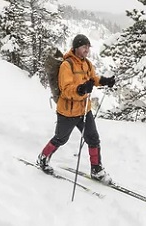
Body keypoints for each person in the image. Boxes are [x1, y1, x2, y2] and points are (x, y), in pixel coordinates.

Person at [36, 34, 116, 183]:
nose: (87, 49)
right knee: (61, 138)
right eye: (84, 46)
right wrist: (80, 89)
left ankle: (96, 170)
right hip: (67, 111)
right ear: (76, 47)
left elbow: (93, 79)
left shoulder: (87, 64)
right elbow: (66, 89)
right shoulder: (67, 65)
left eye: (88, 47)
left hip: (84, 109)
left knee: (93, 139)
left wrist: (104, 81)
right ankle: (43, 158)